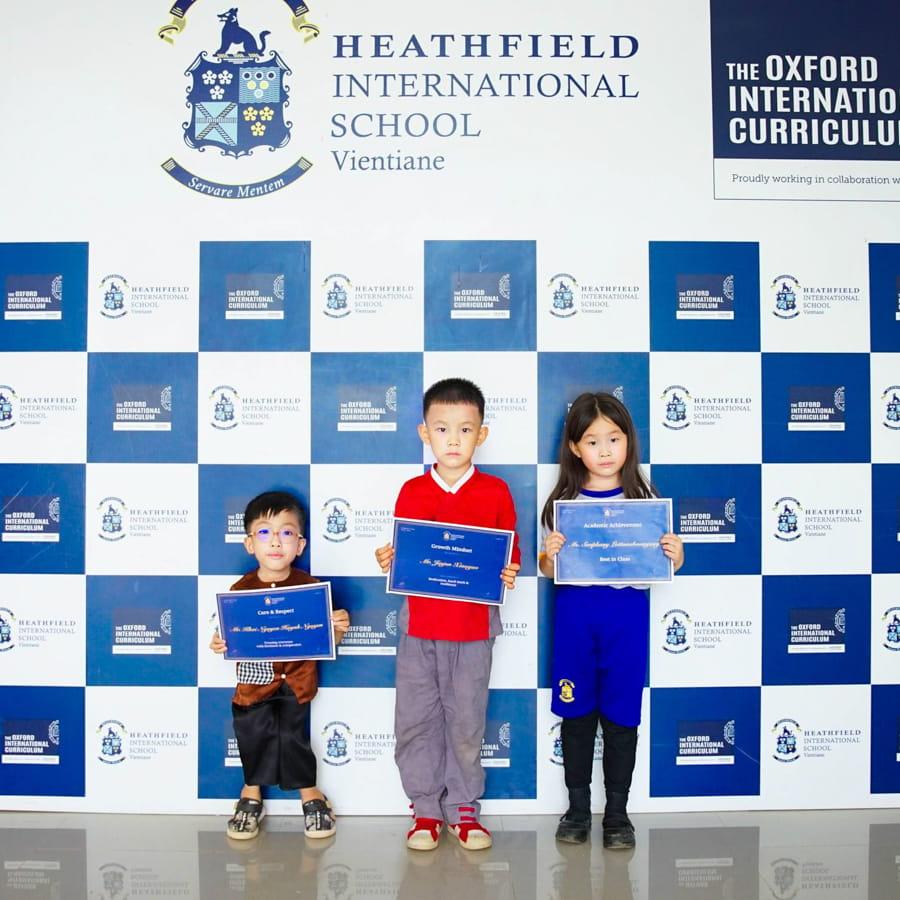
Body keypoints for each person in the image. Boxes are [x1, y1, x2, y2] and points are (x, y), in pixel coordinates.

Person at [375, 378, 521, 851]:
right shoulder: (411, 491)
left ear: (482, 434)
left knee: (466, 720)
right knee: (416, 718)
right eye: (442, 429)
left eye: (464, 429)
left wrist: (509, 569)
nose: (453, 439)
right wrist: (389, 561)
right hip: (420, 626)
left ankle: (463, 809)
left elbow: (508, 553)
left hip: (473, 628)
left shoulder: (496, 491)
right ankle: (424, 811)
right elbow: (406, 555)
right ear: (424, 433)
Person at [539, 392, 684, 849]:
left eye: (614, 439)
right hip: (576, 623)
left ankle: (617, 813)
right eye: (593, 440)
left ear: (628, 442)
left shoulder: (646, 501)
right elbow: (546, 567)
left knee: (622, 718)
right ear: (575, 448)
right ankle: (578, 808)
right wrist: (551, 558)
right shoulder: (562, 504)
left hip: (627, 623)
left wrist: (675, 556)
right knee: (576, 717)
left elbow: (662, 561)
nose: (604, 450)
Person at [210, 490, 350, 840]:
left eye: (286, 532)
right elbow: (229, 633)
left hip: (296, 683)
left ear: (300, 545)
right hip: (253, 685)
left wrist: (338, 627)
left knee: (293, 738)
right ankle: (250, 793)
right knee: (252, 736)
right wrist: (218, 641)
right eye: (264, 532)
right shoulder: (240, 590)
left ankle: (310, 794)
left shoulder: (311, 588)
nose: (276, 541)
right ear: (249, 544)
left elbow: (324, 639)